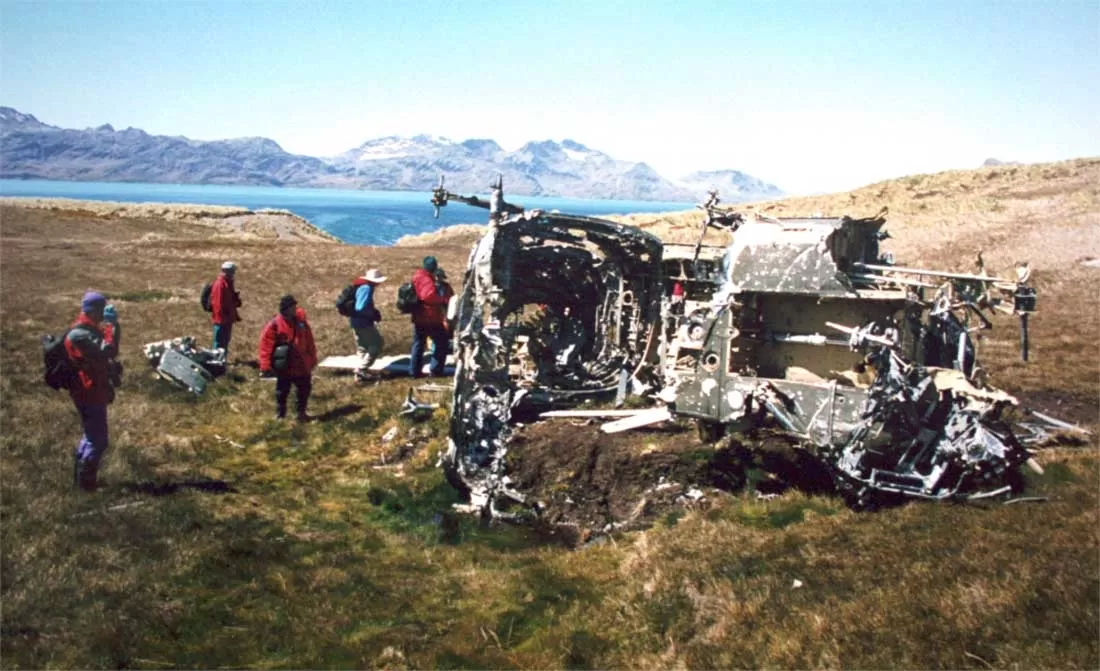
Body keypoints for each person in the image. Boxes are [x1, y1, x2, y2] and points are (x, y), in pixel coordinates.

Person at [65, 291, 120, 491]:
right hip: (88, 390)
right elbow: (108, 350)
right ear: (94, 310)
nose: (104, 314)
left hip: (89, 388)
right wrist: (112, 326)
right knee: (98, 440)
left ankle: (81, 480)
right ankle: (86, 484)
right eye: (102, 309)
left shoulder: (86, 330)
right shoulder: (80, 335)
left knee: (90, 436)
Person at [258, 295, 318, 421]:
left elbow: (309, 341)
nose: (295, 309)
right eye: (292, 307)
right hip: (286, 365)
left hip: (302, 363)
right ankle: (281, 414)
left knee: (304, 389)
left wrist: (312, 358)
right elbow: (266, 345)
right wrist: (265, 365)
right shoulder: (275, 324)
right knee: (282, 390)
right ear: (285, 309)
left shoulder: (301, 322)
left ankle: (301, 412)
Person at [408, 256, 454, 378]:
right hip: (430, 316)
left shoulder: (417, 277)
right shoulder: (427, 279)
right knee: (441, 342)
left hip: (419, 316)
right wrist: (442, 300)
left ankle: (414, 371)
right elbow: (427, 296)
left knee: (418, 344)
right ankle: (436, 370)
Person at [348, 268, 387, 383]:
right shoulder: (367, 288)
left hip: (355, 321)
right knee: (377, 344)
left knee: (363, 347)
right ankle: (361, 369)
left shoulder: (361, 286)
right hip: (363, 322)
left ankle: (361, 376)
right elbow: (360, 307)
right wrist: (372, 314)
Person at [210, 261, 242, 358]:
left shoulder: (228, 283)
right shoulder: (220, 284)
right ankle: (215, 360)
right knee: (219, 341)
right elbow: (218, 303)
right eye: (231, 271)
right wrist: (222, 317)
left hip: (228, 318)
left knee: (225, 340)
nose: (233, 273)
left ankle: (222, 359)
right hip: (221, 319)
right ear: (225, 271)